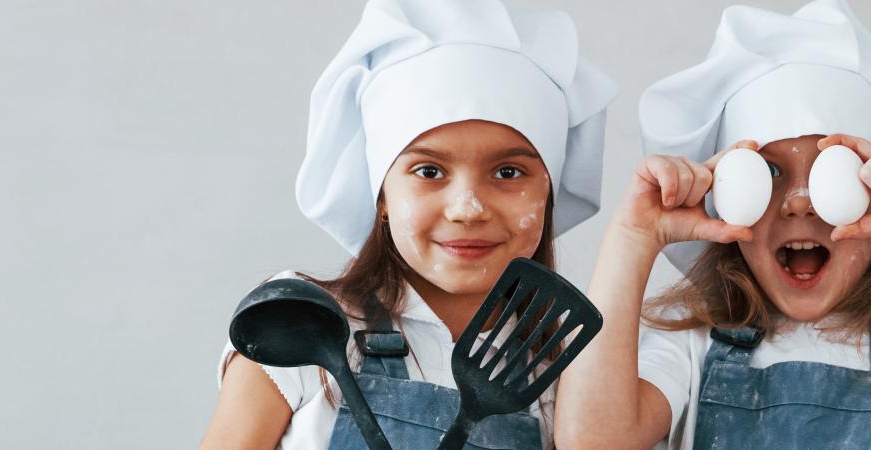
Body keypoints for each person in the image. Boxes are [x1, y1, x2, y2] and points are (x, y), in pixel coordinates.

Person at [554, 1, 871, 448]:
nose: (799, 203)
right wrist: (634, 237)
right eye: (767, 173)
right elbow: (593, 441)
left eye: (832, 171)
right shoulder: (693, 344)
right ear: (726, 196)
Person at [199, 0, 617, 448]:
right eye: (429, 172)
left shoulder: (567, 374)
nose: (468, 208)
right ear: (381, 193)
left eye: (508, 173)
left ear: (548, 193)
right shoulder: (301, 326)